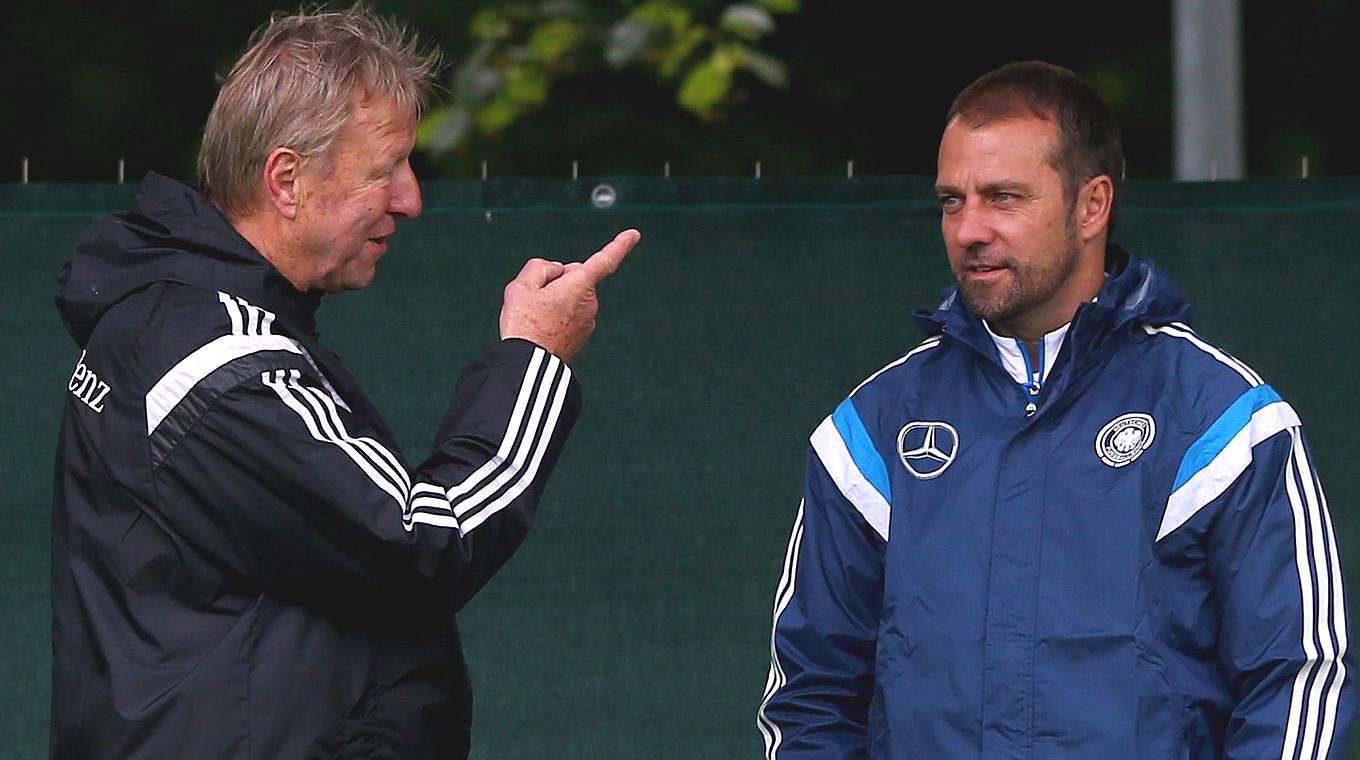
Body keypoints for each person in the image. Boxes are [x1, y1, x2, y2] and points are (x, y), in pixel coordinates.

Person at [50, 7, 639, 758]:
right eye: (384, 168)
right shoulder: (224, 364)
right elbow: (430, 541)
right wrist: (535, 357)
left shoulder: (168, 315)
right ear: (287, 179)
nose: (411, 198)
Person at [757, 61, 1354, 758]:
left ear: (1091, 205)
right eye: (952, 201)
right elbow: (810, 700)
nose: (969, 229)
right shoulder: (874, 429)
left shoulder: (1222, 419)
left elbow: (1299, 678)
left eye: (1004, 198)